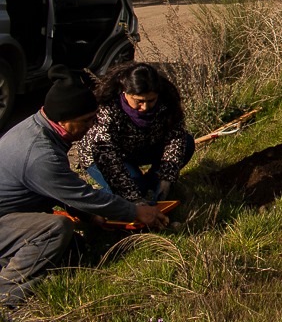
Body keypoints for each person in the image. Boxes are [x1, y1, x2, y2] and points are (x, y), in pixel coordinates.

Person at [0, 66, 168, 308]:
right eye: (86, 121)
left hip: (8, 216)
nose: (91, 126)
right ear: (64, 120)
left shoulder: (41, 127)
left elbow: (61, 185)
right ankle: (7, 296)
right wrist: (136, 211)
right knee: (56, 229)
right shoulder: (39, 154)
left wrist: (90, 217)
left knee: (72, 251)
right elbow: (81, 195)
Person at [77, 62, 195, 203]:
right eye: (139, 101)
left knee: (187, 143)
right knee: (132, 189)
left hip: (141, 149)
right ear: (125, 92)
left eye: (151, 100)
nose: (145, 107)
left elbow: (175, 137)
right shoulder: (107, 107)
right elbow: (107, 156)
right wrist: (134, 198)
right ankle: (87, 203)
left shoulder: (168, 100)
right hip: (104, 156)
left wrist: (166, 178)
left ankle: (152, 187)